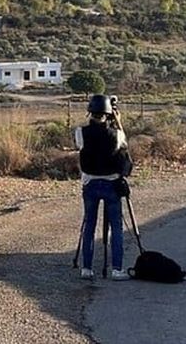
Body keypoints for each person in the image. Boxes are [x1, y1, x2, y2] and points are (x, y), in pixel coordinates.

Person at [74, 94, 130, 280]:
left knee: (89, 225)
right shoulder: (117, 134)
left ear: (90, 112)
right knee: (116, 227)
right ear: (108, 113)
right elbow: (124, 150)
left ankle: (87, 268)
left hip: (90, 183)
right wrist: (118, 122)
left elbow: (81, 148)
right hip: (112, 184)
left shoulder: (80, 132)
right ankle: (116, 269)